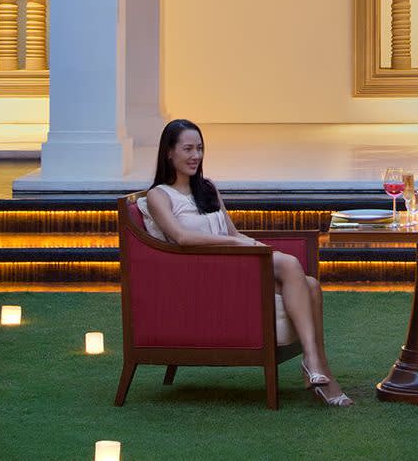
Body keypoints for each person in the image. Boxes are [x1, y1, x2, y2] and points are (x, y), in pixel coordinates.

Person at [138, 119, 352, 407]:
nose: (195, 156)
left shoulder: (207, 188)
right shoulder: (158, 195)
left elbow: (231, 230)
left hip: (232, 265)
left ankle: (317, 368)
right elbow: (181, 238)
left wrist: (249, 243)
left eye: (200, 148)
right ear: (169, 153)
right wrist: (237, 244)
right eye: (187, 149)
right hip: (203, 275)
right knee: (291, 266)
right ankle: (315, 365)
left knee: (310, 285)